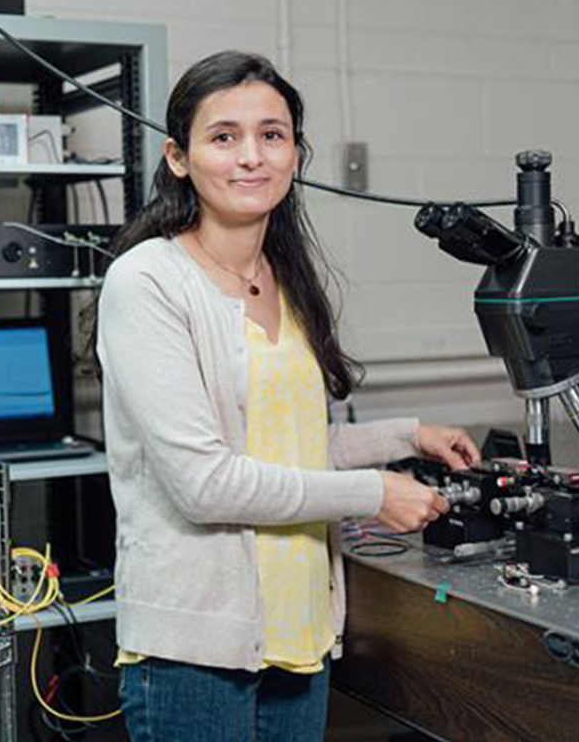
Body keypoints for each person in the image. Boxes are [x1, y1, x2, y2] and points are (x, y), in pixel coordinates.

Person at [95, 50, 481, 742]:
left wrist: (407, 435)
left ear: (296, 155)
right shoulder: (148, 282)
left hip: (299, 631)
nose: (252, 157)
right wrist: (374, 493)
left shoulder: (286, 278)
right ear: (178, 158)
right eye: (224, 137)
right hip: (197, 648)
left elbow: (284, 446)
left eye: (272, 136)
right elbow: (206, 483)